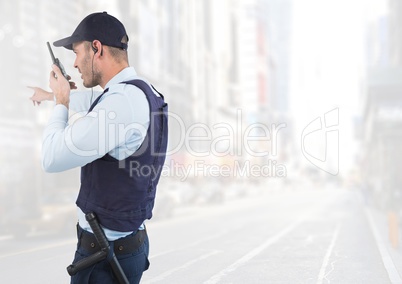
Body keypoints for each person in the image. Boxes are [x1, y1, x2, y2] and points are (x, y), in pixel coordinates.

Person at [30, 12, 168, 283]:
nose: (74, 64)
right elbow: (100, 104)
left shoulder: (119, 105)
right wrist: (52, 96)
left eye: (77, 52)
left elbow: (50, 158)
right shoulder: (139, 91)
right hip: (127, 243)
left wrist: (60, 103)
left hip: (104, 257)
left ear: (96, 48)